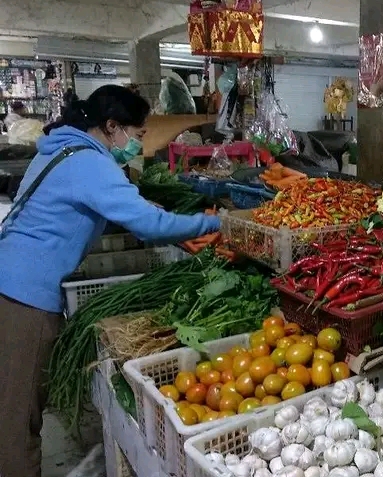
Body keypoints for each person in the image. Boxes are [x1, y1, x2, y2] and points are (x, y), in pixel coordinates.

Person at [0, 85, 220, 477]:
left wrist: (131, 207)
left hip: (9, 279)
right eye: (136, 136)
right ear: (112, 126)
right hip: (25, 298)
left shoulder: (62, 149)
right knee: (17, 423)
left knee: (12, 409)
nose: (137, 144)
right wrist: (215, 222)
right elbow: (151, 227)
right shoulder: (91, 163)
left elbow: (69, 207)